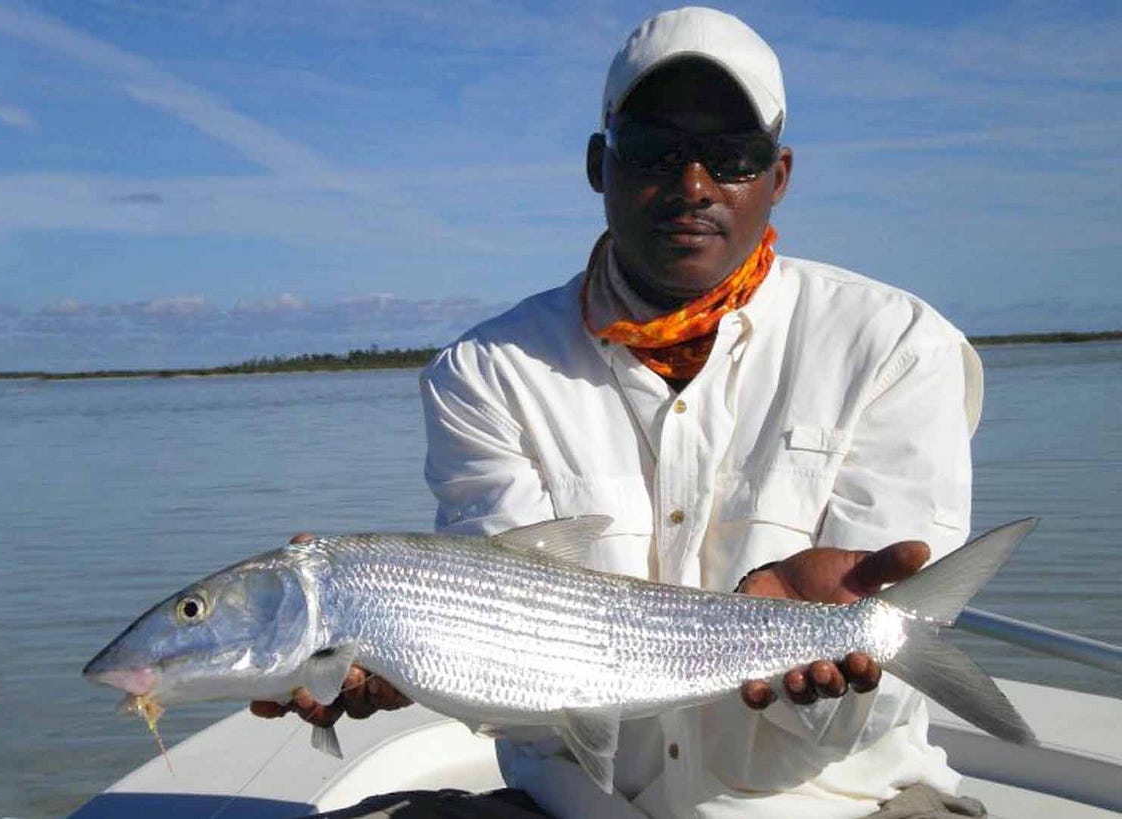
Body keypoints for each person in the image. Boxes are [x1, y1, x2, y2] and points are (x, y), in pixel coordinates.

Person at [255, 7, 986, 818]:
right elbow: (512, 651)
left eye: (733, 155)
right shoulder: (485, 373)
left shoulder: (897, 344)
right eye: (654, 150)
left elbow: (876, 685)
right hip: (574, 805)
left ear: (777, 177)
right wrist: (410, 658)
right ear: (600, 164)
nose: (694, 184)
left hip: (846, 799)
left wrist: (826, 636)